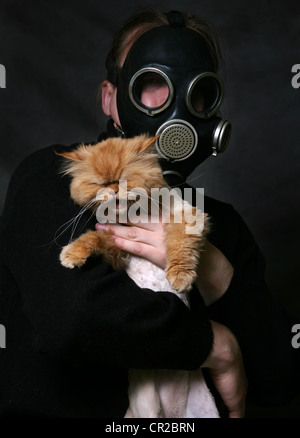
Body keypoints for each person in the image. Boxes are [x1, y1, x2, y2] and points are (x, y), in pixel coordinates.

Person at [0, 7, 298, 419]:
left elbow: (280, 380)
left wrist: (210, 268)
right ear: (111, 98)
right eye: (152, 82)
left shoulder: (221, 226)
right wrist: (218, 347)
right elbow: (75, 320)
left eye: (197, 90)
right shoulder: (55, 179)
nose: (174, 106)